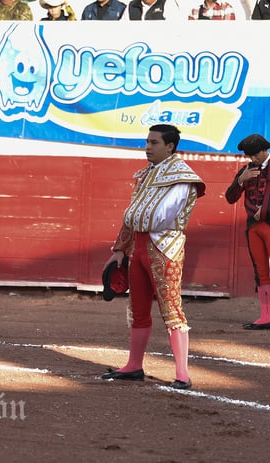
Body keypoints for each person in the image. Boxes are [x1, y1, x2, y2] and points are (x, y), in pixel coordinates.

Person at [101, 124, 205, 390]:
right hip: (138, 250)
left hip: (165, 250)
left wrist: (133, 219)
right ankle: (134, 365)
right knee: (138, 310)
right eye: (147, 142)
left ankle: (182, 374)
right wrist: (120, 250)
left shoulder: (183, 178)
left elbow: (159, 217)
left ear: (170, 147)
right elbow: (134, 215)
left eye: (154, 143)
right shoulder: (145, 175)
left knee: (171, 310)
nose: (147, 147)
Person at [225, 134, 270, 330]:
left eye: (254, 155)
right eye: (249, 156)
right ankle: (267, 315)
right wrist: (240, 181)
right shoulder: (246, 170)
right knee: (261, 271)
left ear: (264, 151)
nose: (252, 159)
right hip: (253, 227)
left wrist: (267, 210)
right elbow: (230, 197)